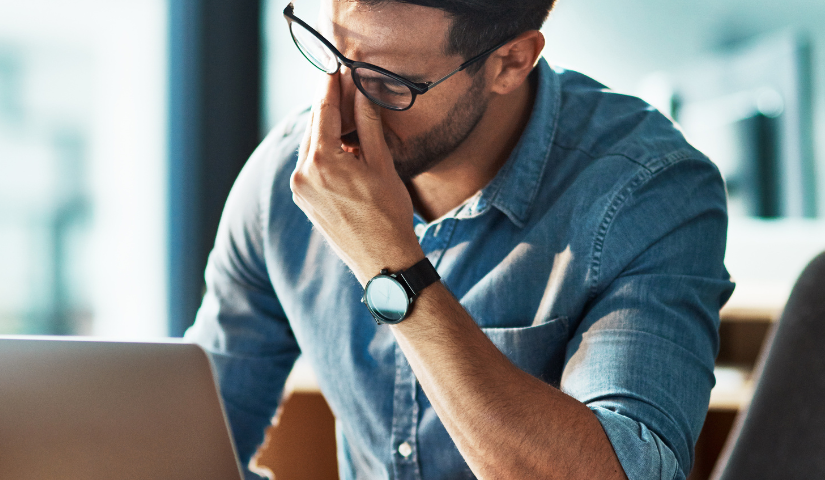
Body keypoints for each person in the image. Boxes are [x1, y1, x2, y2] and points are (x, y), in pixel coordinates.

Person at [185, 1, 734, 479]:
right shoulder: (288, 177)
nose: (342, 109)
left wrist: (389, 265)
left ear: (510, 62)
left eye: (386, 82)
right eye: (330, 51)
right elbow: (196, 437)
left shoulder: (648, 192)